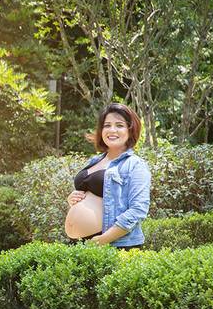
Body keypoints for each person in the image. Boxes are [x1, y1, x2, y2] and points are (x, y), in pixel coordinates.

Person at [64, 103, 151, 249]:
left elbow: (138, 209)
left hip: (113, 245)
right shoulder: (95, 160)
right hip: (80, 244)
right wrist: (72, 199)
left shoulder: (135, 165)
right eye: (107, 125)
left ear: (130, 130)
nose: (112, 130)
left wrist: (104, 239)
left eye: (119, 125)